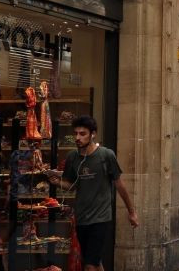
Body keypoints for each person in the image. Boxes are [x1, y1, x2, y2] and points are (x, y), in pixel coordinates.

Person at [47, 115, 139, 271]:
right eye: (75, 133)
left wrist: (132, 212)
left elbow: (119, 185)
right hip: (82, 217)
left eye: (82, 134)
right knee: (95, 262)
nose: (78, 137)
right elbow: (71, 184)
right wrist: (57, 183)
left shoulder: (106, 155)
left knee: (89, 265)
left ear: (93, 134)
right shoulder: (72, 157)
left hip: (100, 218)